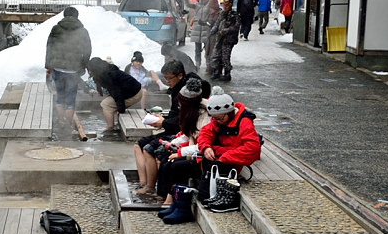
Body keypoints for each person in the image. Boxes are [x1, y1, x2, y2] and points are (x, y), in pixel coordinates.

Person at [156, 92, 261, 217]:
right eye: (215, 119)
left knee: (180, 167)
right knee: (175, 166)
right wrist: (206, 147)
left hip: (228, 164)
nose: (217, 122)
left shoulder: (244, 122)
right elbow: (206, 132)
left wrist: (225, 156)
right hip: (214, 158)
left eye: (220, 119)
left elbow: (253, 149)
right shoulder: (219, 120)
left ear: (229, 112)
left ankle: (183, 209)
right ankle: (178, 205)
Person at [131, 60, 205, 196]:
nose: (167, 81)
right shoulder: (178, 91)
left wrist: (163, 122)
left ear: (180, 76)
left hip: (179, 134)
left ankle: (152, 187)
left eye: (169, 78)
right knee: (139, 145)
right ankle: (144, 183)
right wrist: (162, 119)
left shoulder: (186, 95)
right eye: (165, 78)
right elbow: (176, 115)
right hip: (177, 133)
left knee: (152, 150)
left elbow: (182, 121)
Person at [44, 7, 93, 138]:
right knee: (71, 98)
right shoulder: (82, 31)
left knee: (60, 95)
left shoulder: (56, 28)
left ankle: (60, 121)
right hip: (73, 69)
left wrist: (48, 66)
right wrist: (83, 65)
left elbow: (49, 46)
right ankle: (67, 123)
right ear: (77, 16)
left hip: (58, 68)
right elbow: (88, 50)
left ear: (64, 16)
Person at [87, 56, 145, 133]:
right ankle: (115, 124)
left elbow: (117, 94)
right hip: (135, 90)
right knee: (111, 103)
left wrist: (121, 109)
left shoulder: (108, 76)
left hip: (134, 94)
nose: (90, 72)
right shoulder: (108, 69)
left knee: (106, 104)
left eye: (90, 70)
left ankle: (110, 128)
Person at [209, 0, 241, 81]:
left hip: (228, 40)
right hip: (220, 39)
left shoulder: (235, 15)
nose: (225, 6)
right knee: (215, 55)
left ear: (230, 5)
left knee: (225, 57)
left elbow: (236, 27)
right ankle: (217, 71)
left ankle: (227, 73)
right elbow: (217, 24)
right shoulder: (221, 14)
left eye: (227, 5)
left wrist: (225, 31)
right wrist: (212, 31)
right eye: (224, 5)